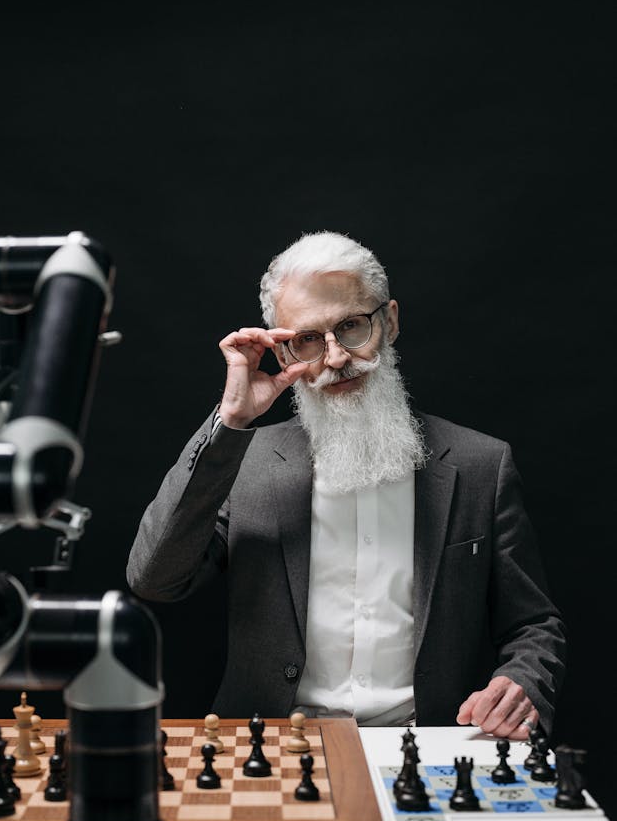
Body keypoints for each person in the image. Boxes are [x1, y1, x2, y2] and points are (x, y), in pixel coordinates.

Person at [127, 231, 566, 739]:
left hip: (427, 742)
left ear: (390, 321)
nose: (336, 358)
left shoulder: (481, 465)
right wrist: (231, 423)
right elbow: (154, 578)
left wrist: (523, 680)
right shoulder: (244, 461)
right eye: (308, 340)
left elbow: (534, 624)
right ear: (283, 353)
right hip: (274, 741)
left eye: (351, 326)